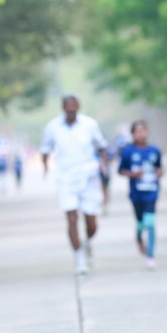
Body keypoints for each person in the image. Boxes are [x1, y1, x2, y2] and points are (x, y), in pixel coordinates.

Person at [40, 94, 109, 275]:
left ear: (78, 107)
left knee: (91, 222)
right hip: (65, 178)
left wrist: (104, 165)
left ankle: (86, 243)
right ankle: (79, 258)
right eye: (67, 107)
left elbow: (101, 146)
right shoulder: (53, 127)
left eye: (74, 107)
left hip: (88, 176)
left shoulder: (90, 125)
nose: (71, 110)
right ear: (63, 108)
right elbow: (45, 149)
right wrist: (45, 168)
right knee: (71, 217)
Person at [117, 120, 163, 270]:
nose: (141, 134)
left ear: (147, 132)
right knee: (140, 221)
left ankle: (150, 255)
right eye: (137, 131)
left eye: (143, 130)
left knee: (150, 222)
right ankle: (138, 237)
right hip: (136, 193)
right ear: (133, 135)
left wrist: (159, 173)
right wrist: (132, 174)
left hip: (152, 192)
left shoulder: (155, 150)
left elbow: (159, 167)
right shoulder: (128, 152)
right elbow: (121, 170)